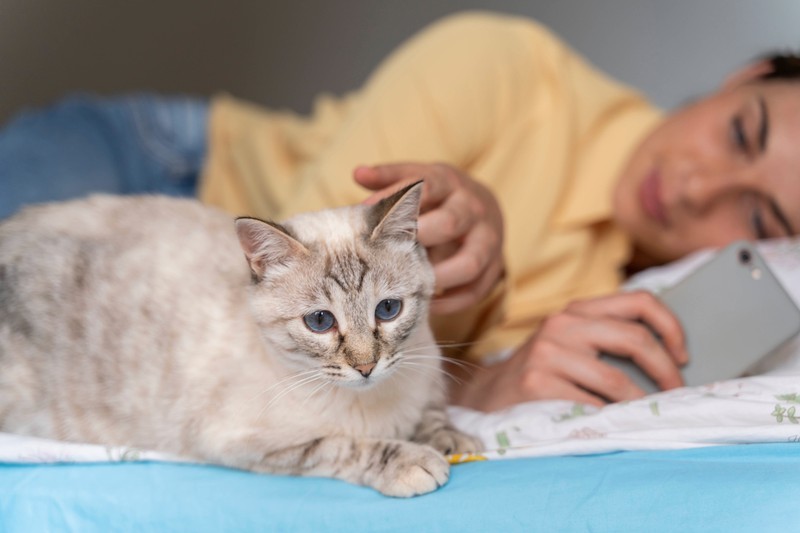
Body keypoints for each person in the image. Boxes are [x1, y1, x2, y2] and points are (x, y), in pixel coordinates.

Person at [2, 11, 800, 411]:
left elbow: (389, 385)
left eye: (759, 219)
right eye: (741, 133)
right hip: (167, 164)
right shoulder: (504, 63)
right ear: (744, 75)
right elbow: (274, 308)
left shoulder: (638, 318)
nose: (699, 187)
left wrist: (488, 384)